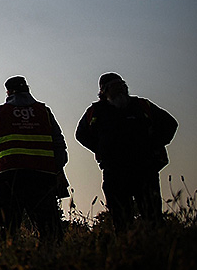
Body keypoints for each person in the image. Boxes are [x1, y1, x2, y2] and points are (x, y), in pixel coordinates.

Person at [75, 72, 178, 231]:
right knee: (122, 222)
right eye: (115, 86)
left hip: (144, 170)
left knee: (153, 220)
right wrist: (101, 149)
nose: (121, 89)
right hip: (114, 172)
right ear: (104, 91)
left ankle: (159, 251)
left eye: (122, 85)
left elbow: (170, 124)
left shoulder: (141, 105)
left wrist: (153, 144)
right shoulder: (96, 111)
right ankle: (126, 252)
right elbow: (80, 135)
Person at [0, 76, 67, 244]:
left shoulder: (0, 113)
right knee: (49, 226)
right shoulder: (44, 111)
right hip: (43, 176)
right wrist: (57, 167)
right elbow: (59, 143)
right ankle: (53, 260)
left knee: (6, 226)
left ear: (8, 92)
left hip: (10, 176)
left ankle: (5, 259)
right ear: (27, 89)